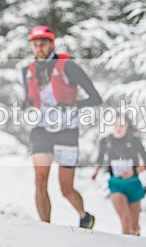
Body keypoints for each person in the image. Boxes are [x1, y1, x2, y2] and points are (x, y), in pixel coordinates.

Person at [23, 25, 101, 227]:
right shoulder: (28, 70)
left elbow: (96, 98)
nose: (38, 49)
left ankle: (84, 216)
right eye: (35, 45)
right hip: (41, 130)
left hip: (67, 131)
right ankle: (45, 228)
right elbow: (29, 98)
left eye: (43, 44)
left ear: (52, 44)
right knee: (40, 180)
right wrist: (26, 105)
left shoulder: (68, 66)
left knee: (66, 189)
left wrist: (74, 105)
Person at [91, 114, 146, 235]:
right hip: (116, 184)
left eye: (122, 125)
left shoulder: (134, 140)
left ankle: (137, 244)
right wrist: (95, 172)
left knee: (134, 226)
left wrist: (133, 171)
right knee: (125, 221)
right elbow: (100, 159)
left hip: (133, 184)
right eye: (116, 125)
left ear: (127, 126)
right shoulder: (105, 141)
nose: (119, 127)